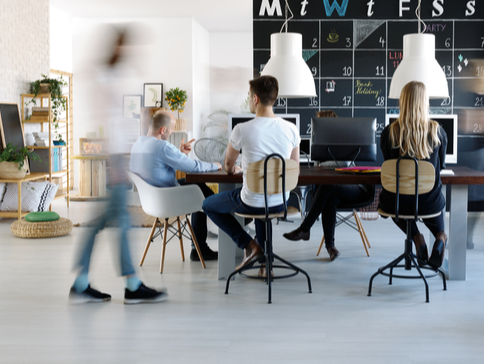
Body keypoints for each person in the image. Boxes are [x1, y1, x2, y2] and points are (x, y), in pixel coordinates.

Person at [69, 25, 167, 304]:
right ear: (119, 47)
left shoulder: (112, 75)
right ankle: (132, 285)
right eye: (131, 48)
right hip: (115, 160)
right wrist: (116, 164)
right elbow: (108, 121)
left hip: (119, 158)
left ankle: (81, 282)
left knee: (101, 221)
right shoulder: (104, 77)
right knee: (121, 222)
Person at [202, 75, 300, 277]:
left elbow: (228, 165)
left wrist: (235, 170)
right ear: (274, 97)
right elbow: (294, 167)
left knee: (208, 205)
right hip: (280, 201)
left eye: (249, 95)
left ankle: (248, 244)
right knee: (264, 207)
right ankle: (266, 266)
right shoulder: (291, 129)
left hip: (251, 201)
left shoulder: (242, 129)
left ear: (255, 99)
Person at [129, 110, 222, 261]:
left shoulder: (137, 145)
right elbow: (193, 167)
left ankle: (201, 244)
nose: (172, 132)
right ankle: (224, 214)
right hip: (168, 200)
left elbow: (156, 166)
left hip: (152, 199)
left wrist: (180, 154)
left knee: (196, 185)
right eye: (171, 129)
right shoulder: (162, 147)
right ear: (163, 130)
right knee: (199, 188)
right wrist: (215, 165)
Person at [283, 110, 374, 261]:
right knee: (329, 197)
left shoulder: (345, 142)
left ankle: (305, 228)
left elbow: (345, 164)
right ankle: (330, 247)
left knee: (327, 187)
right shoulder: (320, 148)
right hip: (336, 191)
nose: (315, 131)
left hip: (356, 189)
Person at [378, 81, 448, 268]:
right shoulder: (437, 132)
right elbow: (439, 168)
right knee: (433, 201)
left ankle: (417, 238)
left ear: (403, 102)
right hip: (428, 202)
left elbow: (389, 165)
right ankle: (440, 237)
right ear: (425, 103)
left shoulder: (389, 133)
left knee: (396, 204)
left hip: (396, 202)